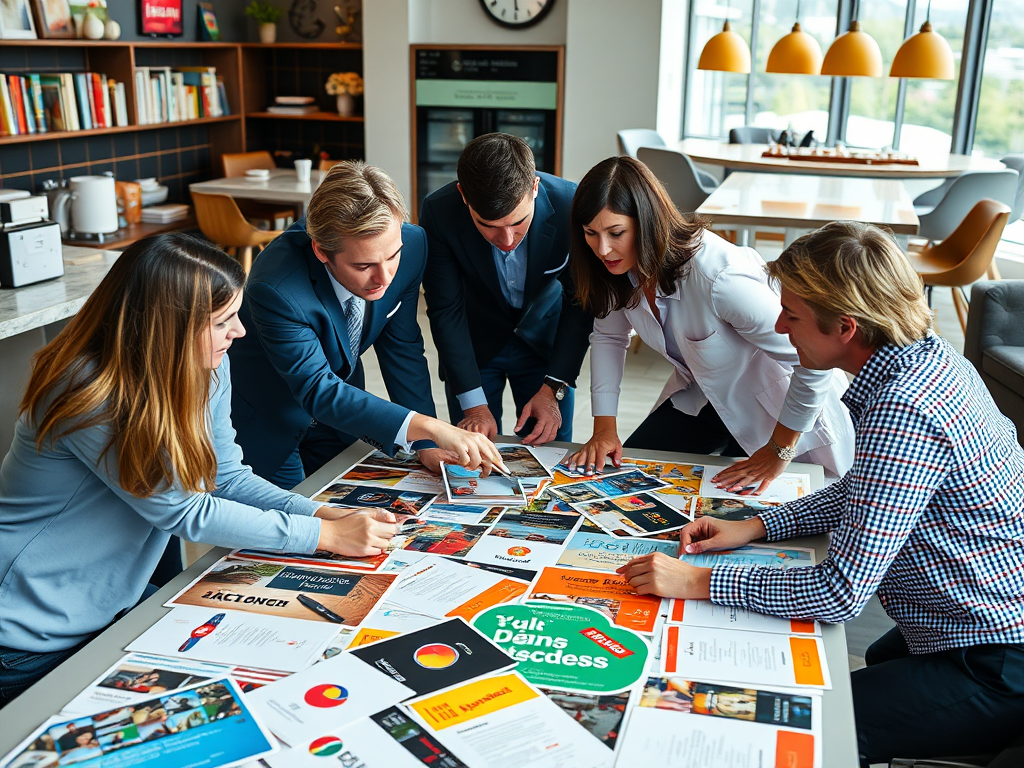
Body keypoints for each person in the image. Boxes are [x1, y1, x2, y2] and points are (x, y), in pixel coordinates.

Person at [617, 221, 1024, 764]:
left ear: (847, 328)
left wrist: (697, 580)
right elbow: (871, 487)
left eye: (794, 316)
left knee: (809, 732)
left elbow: (841, 593)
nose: (781, 327)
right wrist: (758, 524)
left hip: (994, 654)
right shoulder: (928, 358)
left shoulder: (906, 407)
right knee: (867, 666)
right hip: (963, 621)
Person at [0, 234, 402, 707]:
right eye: (222, 321)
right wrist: (322, 538)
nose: (240, 331)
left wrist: (314, 513)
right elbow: (185, 511)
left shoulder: (206, 364)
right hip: (28, 632)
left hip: (105, 600)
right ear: (165, 328)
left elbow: (226, 475)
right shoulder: (90, 393)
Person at [566, 156, 853, 488]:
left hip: (783, 411)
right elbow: (608, 339)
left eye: (616, 233)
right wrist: (604, 429)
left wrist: (779, 451)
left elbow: (814, 363)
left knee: (757, 511)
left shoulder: (721, 279)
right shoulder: (616, 268)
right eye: (591, 233)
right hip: (705, 396)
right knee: (629, 477)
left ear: (647, 222)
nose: (603, 249)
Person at [228, 161, 505, 487]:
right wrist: (433, 427)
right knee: (286, 528)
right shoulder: (277, 286)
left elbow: (402, 347)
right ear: (321, 250)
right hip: (271, 416)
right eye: (364, 265)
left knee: (346, 512)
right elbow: (317, 388)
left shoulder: (412, 245)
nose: (385, 277)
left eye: (392, 256)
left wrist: (425, 444)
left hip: (342, 407)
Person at [420, 133, 593, 445]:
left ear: (535, 187)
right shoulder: (438, 211)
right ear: (463, 196)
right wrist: (473, 404)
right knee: (476, 450)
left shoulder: (572, 204)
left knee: (550, 447)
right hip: (473, 346)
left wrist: (553, 385)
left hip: (545, 345)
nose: (508, 241)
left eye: (519, 222)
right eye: (489, 226)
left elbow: (580, 303)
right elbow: (445, 308)